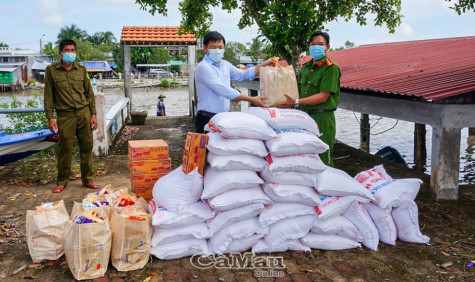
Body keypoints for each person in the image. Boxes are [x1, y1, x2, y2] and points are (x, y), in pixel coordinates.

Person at [277, 31, 341, 167]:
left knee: (322, 158)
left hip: (322, 118)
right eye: (313, 44)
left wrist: (296, 102)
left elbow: (323, 96)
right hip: (304, 117)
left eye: (320, 44)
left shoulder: (331, 68)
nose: (316, 47)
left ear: (327, 47)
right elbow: (297, 93)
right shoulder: (305, 68)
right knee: (305, 156)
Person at [44, 39, 100, 193]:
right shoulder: (51, 70)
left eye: (72, 50)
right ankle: (62, 181)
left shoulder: (81, 69)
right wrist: (50, 117)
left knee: (87, 146)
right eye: (67, 50)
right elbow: (48, 95)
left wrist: (93, 115)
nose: (70, 53)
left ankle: (87, 179)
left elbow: (89, 94)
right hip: (65, 115)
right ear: (60, 52)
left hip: (84, 113)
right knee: (65, 148)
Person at [194, 31, 278, 133]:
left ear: (224, 48)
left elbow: (243, 75)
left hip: (223, 117)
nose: (217, 50)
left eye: (220, 47)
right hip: (206, 118)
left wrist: (264, 64)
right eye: (213, 47)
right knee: (206, 148)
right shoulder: (203, 67)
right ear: (205, 48)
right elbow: (224, 90)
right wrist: (251, 99)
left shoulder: (225, 65)